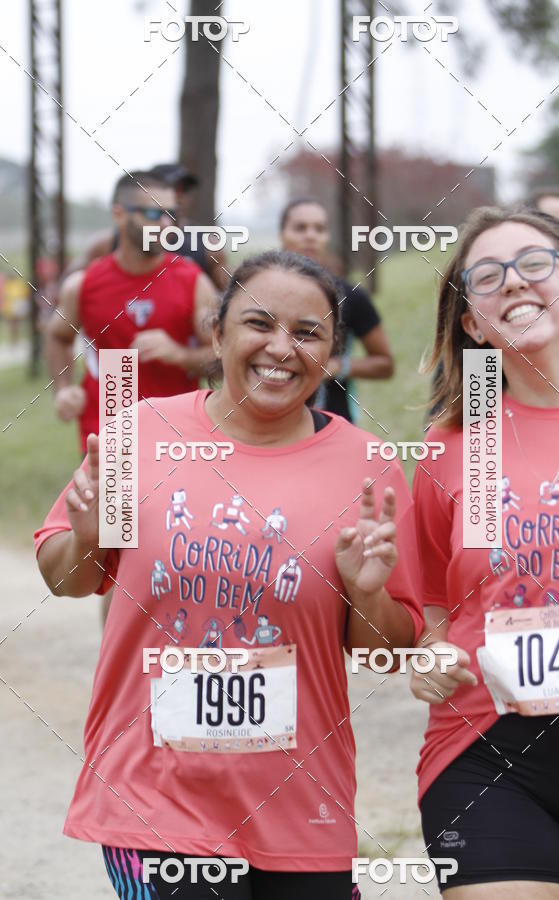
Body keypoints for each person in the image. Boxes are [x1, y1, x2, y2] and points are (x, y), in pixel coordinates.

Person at [35, 250, 424, 899]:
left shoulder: (368, 463)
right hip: (153, 799)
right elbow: (64, 580)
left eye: (307, 333)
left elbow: (386, 652)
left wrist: (365, 590)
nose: (281, 348)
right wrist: (88, 534)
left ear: (330, 354)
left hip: (303, 802)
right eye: (259, 324)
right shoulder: (140, 434)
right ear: (216, 334)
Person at [410, 206, 559, 898]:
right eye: (486, 278)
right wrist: (428, 652)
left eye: (534, 263)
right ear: (472, 324)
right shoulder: (457, 444)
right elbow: (435, 599)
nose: (513, 283)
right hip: (489, 757)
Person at [45, 170, 218, 456]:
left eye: (170, 214)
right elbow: (58, 336)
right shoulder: (84, 285)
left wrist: (179, 354)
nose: (165, 223)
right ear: (119, 215)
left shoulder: (194, 282)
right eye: (153, 213)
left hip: (175, 435)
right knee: (116, 503)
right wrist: (63, 388)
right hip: (107, 433)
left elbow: (220, 355)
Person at [280, 197, 394, 422]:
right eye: (300, 227)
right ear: (282, 234)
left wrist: (337, 366)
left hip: (334, 422)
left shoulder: (350, 295)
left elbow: (385, 364)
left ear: (327, 237)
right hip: (271, 419)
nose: (310, 235)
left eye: (319, 229)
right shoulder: (259, 291)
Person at [63, 163, 229, 291]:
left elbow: (229, 297)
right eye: (170, 188)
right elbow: (66, 287)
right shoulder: (109, 242)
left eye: (183, 190)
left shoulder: (207, 243)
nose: (178, 196)